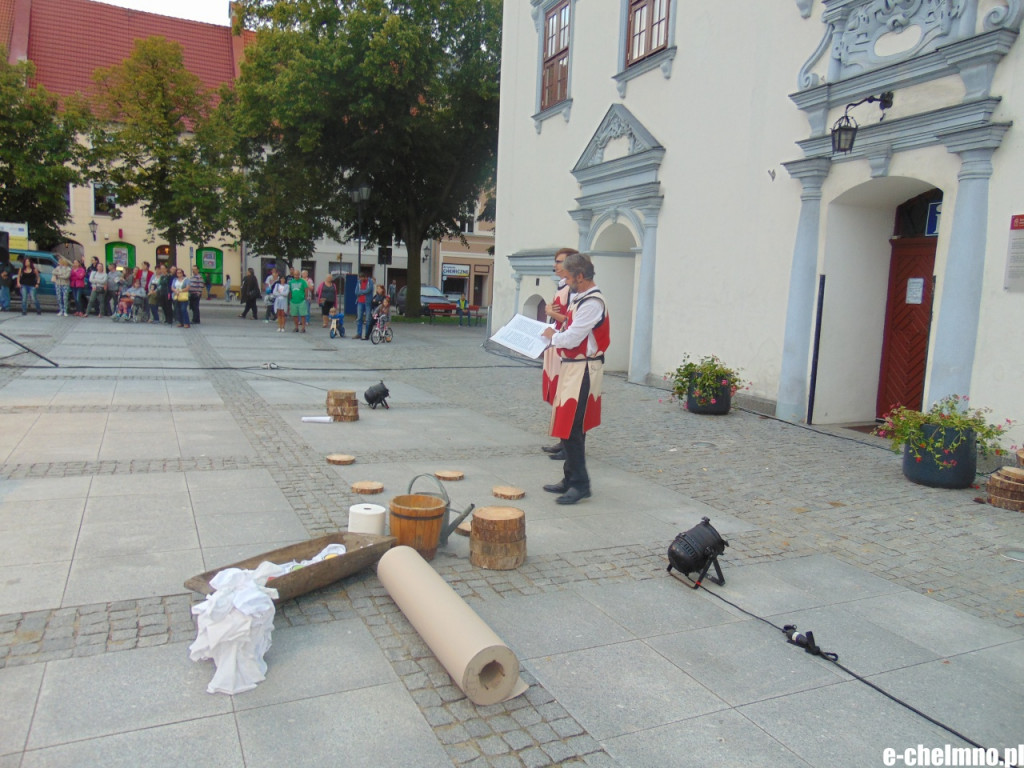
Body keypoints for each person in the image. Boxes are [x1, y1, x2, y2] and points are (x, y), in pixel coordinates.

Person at [541, 252, 610, 505]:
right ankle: (570, 478)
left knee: (572, 427)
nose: (566, 281)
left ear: (580, 276)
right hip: (574, 367)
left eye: (569, 277)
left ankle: (581, 484)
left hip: (584, 368)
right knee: (567, 425)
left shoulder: (592, 302)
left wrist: (552, 337)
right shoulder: (581, 298)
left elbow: (572, 337)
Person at [541, 248, 577, 460]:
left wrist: (551, 313)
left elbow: (572, 322)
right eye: (556, 261)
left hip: (564, 347)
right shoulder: (563, 286)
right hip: (555, 344)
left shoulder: (574, 290)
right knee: (557, 395)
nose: (555, 265)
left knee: (565, 397)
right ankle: (563, 440)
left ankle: (569, 445)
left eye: (560, 261)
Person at [288, 267, 310, 333]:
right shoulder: (291, 282)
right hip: (293, 301)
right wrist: (290, 299)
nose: (296, 276)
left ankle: (303, 328)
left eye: (297, 274)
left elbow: (306, 289)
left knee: (303, 315)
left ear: (299, 274)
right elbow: (290, 291)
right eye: (295, 275)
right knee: (294, 315)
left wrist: (305, 297)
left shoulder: (303, 281)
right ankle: (296, 327)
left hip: (301, 300)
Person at [355, 270, 374, 340]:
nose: (360, 279)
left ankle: (367, 334)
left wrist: (361, 292)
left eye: (361, 278)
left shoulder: (370, 282)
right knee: (359, 318)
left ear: (364, 277)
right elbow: (356, 292)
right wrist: (363, 292)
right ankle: (359, 333)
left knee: (367, 319)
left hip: (367, 302)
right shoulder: (359, 282)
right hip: (360, 301)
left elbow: (369, 290)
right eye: (359, 278)